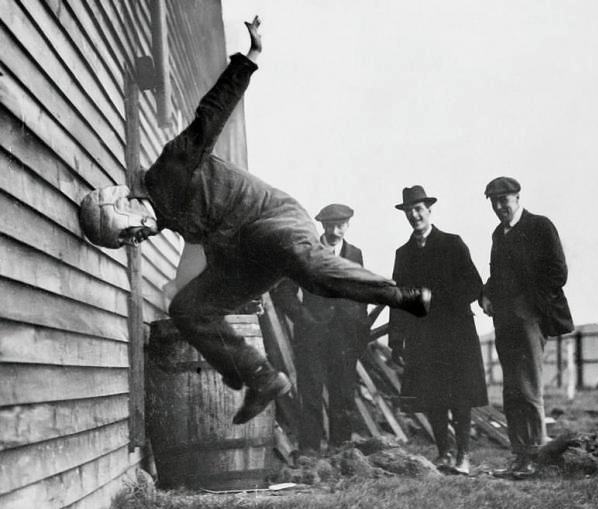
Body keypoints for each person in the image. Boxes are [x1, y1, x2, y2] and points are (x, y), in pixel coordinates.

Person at [78, 17, 431, 426]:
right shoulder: (165, 215)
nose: (136, 239)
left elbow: (212, 111)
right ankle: (261, 378)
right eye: (128, 243)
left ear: (126, 205)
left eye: (128, 232)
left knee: (307, 270)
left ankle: (401, 296)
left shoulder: (170, 167)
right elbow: (202, 247)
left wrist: (251, 57)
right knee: (187, 307)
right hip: (241, 253)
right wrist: (226, 351)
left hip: (272, 219)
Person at [389, 186, 488, 475]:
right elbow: (399, 299)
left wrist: (438, 299)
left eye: (418, 209)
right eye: (409, 211)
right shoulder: (403, 253)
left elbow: (473, 284)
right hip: (422, 335)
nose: (414, 215)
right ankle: (444, 453)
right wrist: (396, 341)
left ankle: (463, 456)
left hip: (455, 331)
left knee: (459, 395)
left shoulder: (452, 244)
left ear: (429, 210)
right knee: (431, 395)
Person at [480, 176, 573, 479]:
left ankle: (535, 455)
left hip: (529, 320)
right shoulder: (498, 234)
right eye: (493, 202)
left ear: (517, 198)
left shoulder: (539, 226)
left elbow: (557, 272)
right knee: (511, 389)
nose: (498, 207)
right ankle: (519, 456)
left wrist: (528, 307)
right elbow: (498, 275)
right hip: (504, 322)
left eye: (503, 200)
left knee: (528, 386)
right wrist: (486, 293)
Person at [271, 204, 371, 453]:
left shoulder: (355, 254)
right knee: (312, 395)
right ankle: (310, 454)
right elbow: (284, 290)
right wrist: (303, 318)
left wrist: (360, 329)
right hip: (312, 336)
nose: (335, 231)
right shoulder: (306, 252)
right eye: (330, 225)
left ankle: (341, 454)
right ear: (322, 226)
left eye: (340, 225)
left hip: (345, 338)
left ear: (348, 225)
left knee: (343, 396)